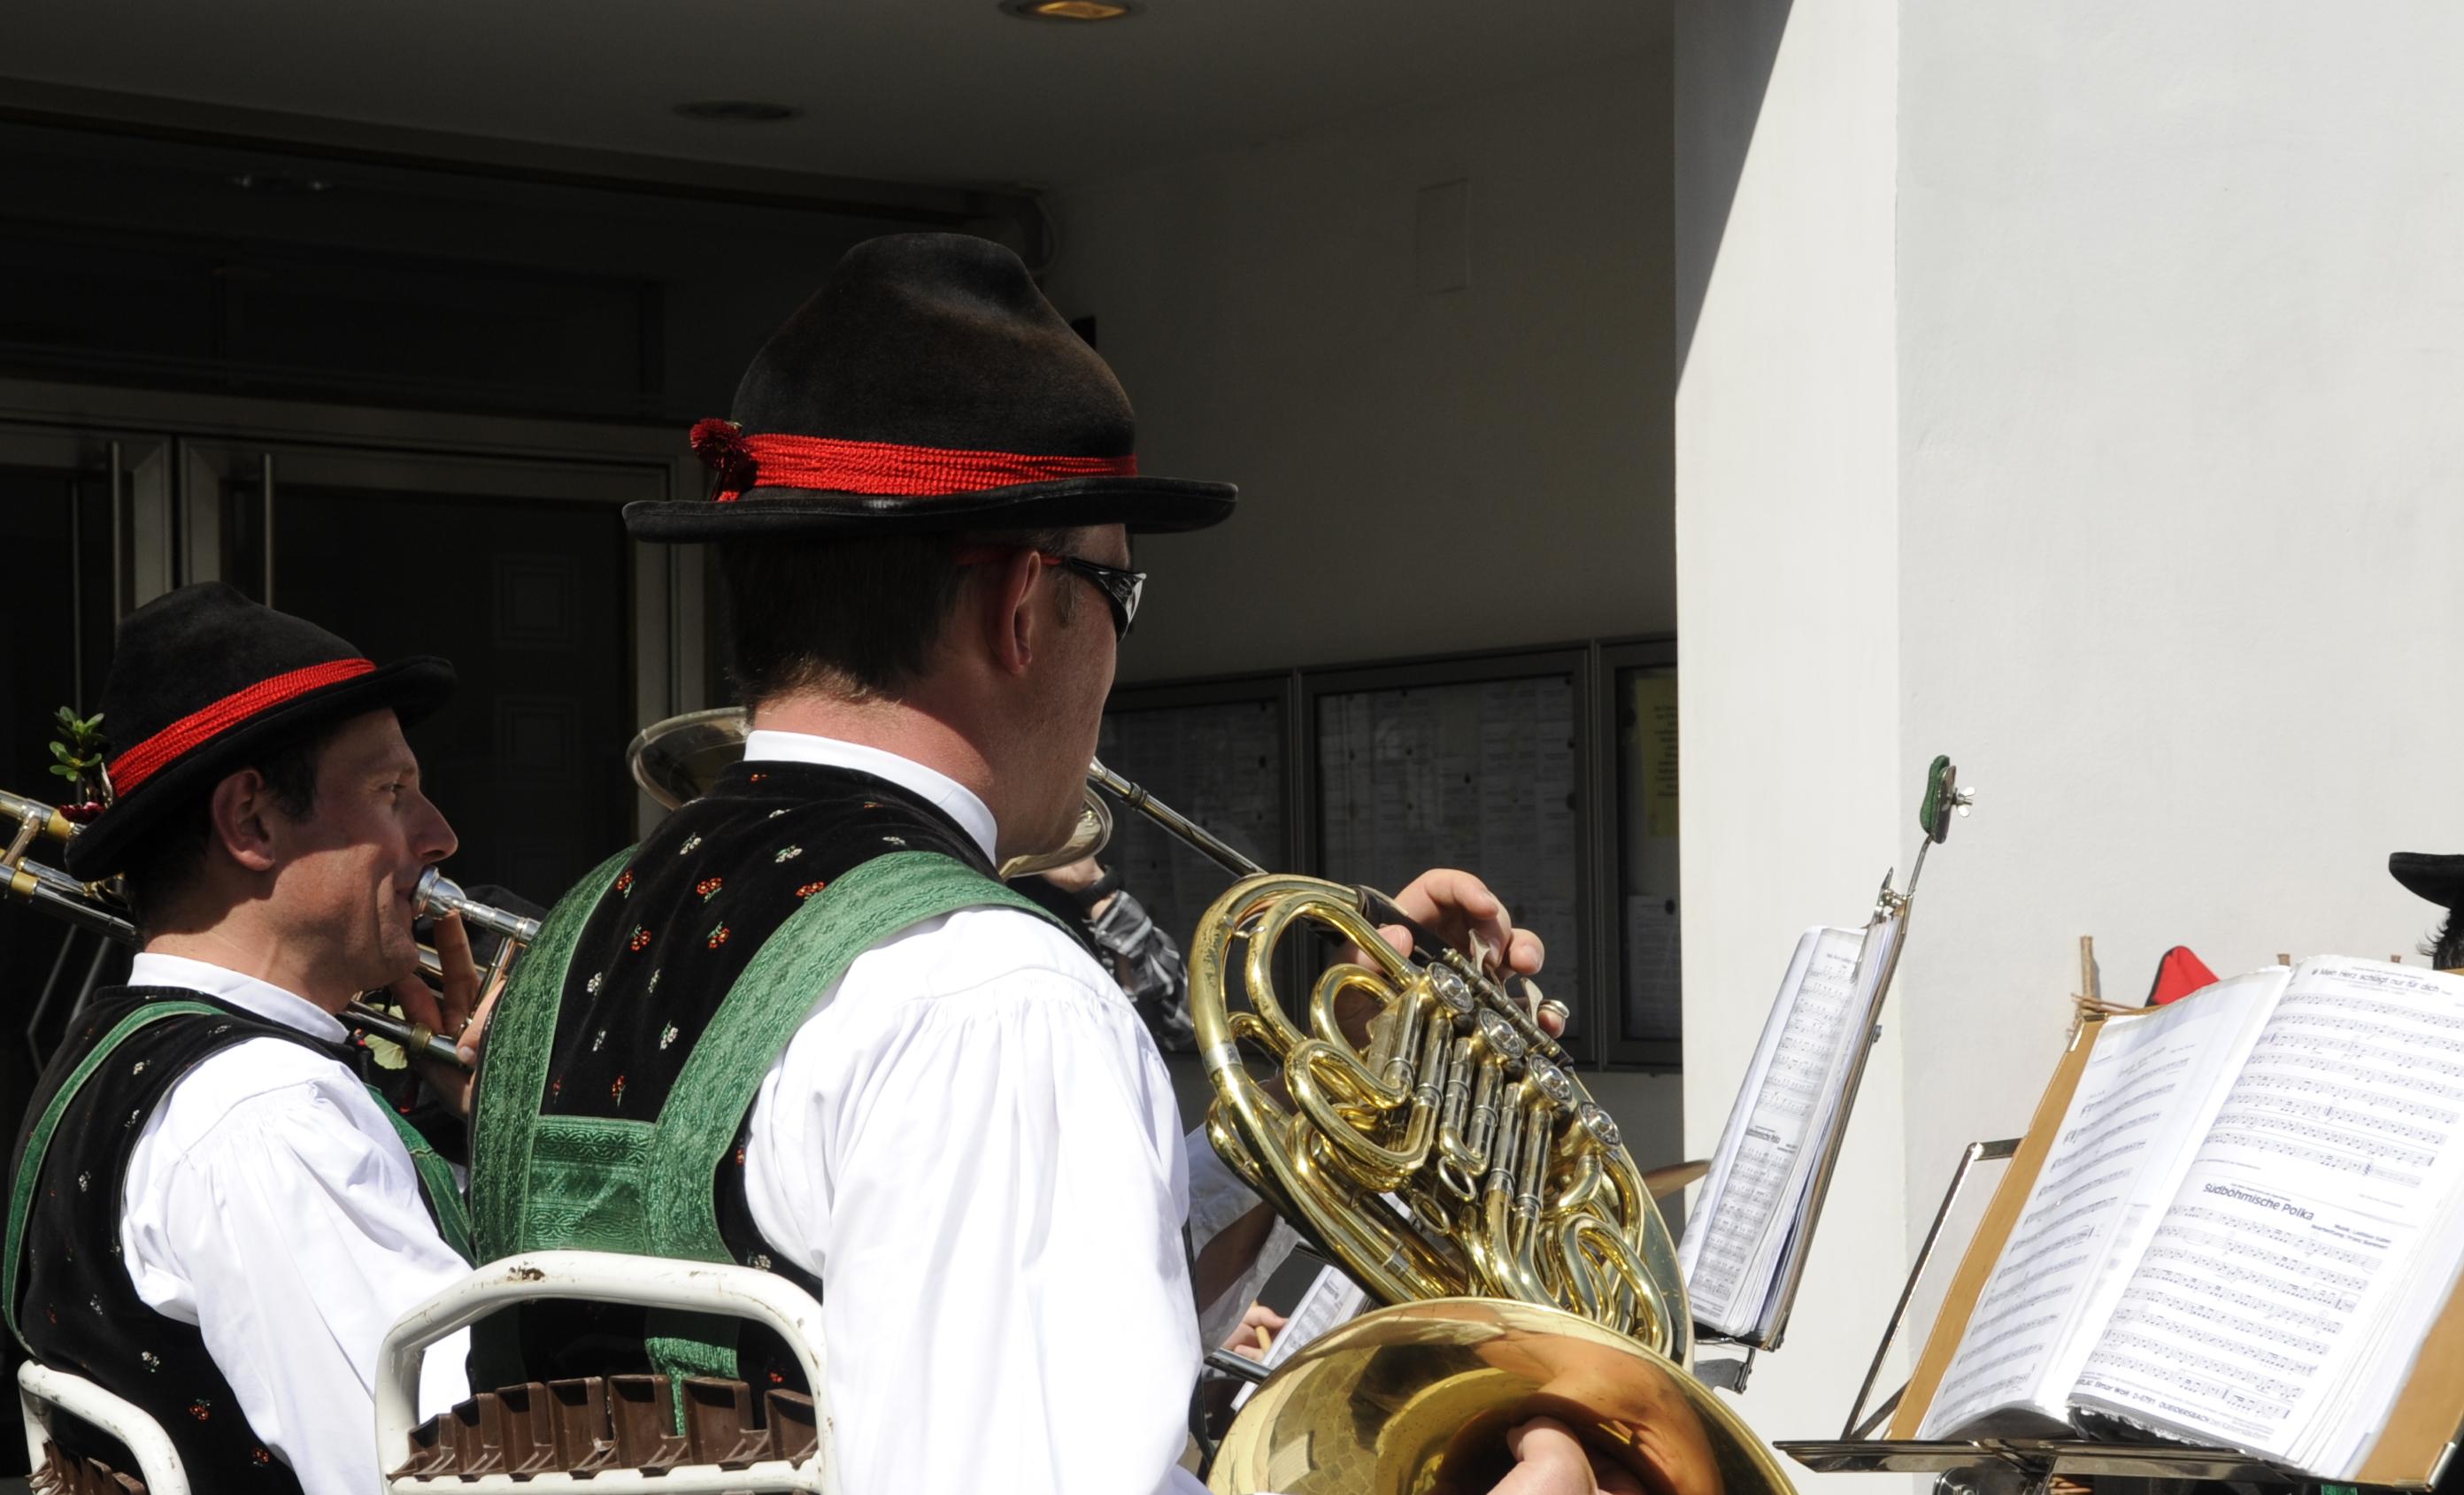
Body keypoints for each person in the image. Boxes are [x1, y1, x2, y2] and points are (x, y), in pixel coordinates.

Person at [465, 233, 1579, 1495]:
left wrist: (1325, 1096)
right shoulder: (997, 996)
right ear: (1026, 608)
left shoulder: (578, 937)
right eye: (1121, 592)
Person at [6, 583, 486, 1494]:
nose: (440, 838)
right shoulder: (269, 1113)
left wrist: (488, 1129)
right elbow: (451, 1462)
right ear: (252, 821)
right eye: (393, 794)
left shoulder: (120, 1052)